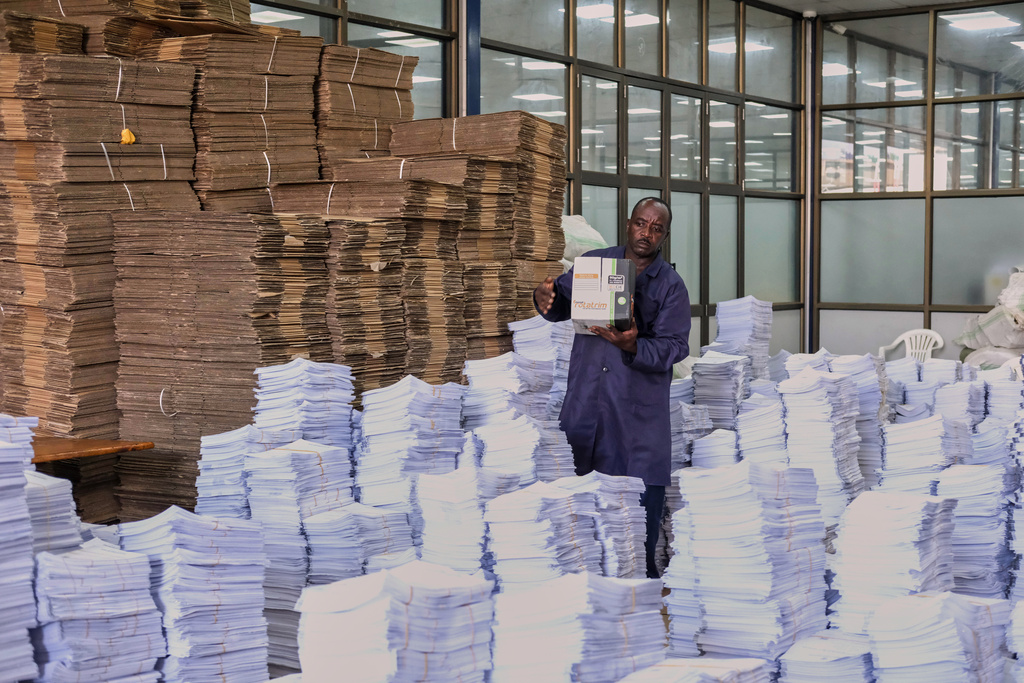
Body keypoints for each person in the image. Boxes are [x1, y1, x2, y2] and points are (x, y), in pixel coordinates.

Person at [534, 197, 691, 578]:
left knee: (639, 506)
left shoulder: (670, 286)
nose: (646, 233)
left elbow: (676, 347)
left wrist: (633, 345)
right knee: (581, 501)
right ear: (628, 224)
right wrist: (543, 299)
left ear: (664, 236)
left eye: (656, 228)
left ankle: (642, 585)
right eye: (641, 223)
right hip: (587, 398)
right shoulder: (595, 264)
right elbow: (559, 300)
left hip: (635, 408)